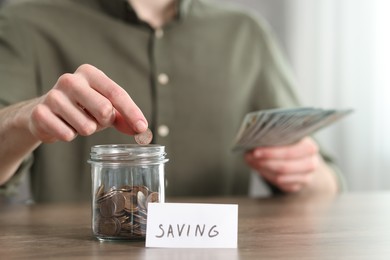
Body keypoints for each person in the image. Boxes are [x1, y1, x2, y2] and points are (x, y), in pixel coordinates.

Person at [0, 0, 343, 203]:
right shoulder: (24, 22)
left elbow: (326, 184)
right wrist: (21, 119)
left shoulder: (246, 33)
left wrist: (305, 172)